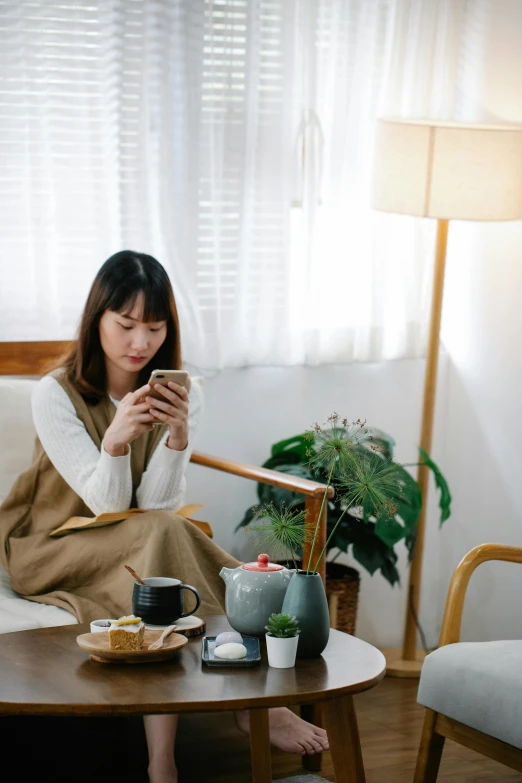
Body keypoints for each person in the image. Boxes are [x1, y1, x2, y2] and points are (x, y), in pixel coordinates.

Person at [0, 250, 329, 783]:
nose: (140, 343)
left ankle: (162, 762)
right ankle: (250, 702)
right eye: (125, 325)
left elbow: (156, 509)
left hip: (134, 542)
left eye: (154, 328)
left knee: (159, 553)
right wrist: (113, 441)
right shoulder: (55, 393)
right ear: (96, 320)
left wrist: (176, 439)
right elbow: (108, 508)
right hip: (53, 544)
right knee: (161, 540)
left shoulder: (182, 392)